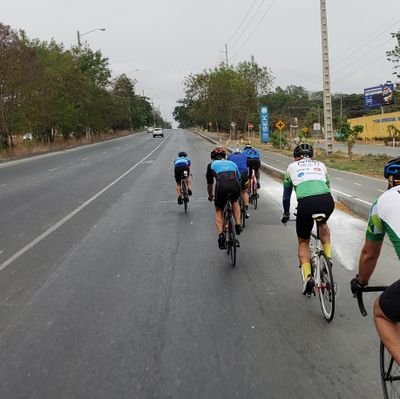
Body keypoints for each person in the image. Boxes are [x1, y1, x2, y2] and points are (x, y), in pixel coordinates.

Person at [351, 156, 400, 364]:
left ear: (390, 180)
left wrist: (361, 282)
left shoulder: (382, 202)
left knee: (381, 311)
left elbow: (369, 254)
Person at [280, 143, 335, 295]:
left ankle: (308, 278)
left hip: (306, 204)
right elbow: (327, 186)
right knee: (322, 223)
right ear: (311, 156)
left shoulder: (291, 167)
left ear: (295, 157)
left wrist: (286, 213)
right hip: (327, 201)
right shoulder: (321, 165)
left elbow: (286, 196)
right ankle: (328, 258)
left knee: (303, 241)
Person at [206, 147, 242, 249]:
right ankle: (238, 225)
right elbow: (239, 178)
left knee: (219, 209)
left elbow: (210, 184)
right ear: (225, 156)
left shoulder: (211, 165)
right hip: (234, 185)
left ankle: (221, 235)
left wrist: (210, 196)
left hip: (221, 187)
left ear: (213, 158)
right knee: (235, 202)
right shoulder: (232, 163)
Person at [228, 148, 250, 218]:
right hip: (244, 173)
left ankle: (233, 206)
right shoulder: (244, 156)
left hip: (234, 174)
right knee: (244, 192)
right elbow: (247, 167)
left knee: (233, 192)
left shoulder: (229, 157)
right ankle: (246, 209)